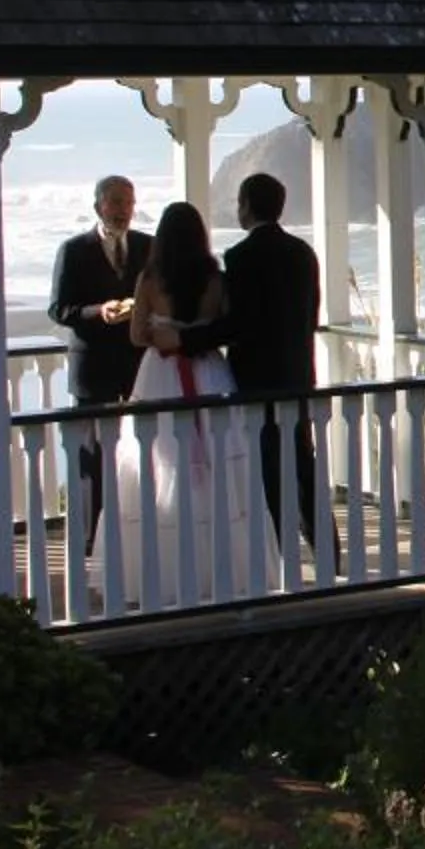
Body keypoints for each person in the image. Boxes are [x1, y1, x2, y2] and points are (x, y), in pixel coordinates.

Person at [173, 171, 325, 565]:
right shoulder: (303, 252)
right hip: (297, 374)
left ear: (245, 206)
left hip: (257, 378)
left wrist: (186, 340)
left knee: (266, 468)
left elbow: (238, 324)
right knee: (303, 465)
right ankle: (327, 552)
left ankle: (278, 556)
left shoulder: (241, 257)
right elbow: (311, 314)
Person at [115, 201, 256, 597]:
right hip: (208, 371)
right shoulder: (215, 278)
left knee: (162, 462)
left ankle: (167, 571)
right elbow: (225, 327)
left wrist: (164, 334)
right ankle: (223, 567)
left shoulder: (150, 278)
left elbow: (136, 335)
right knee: (215, 459)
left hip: (161, 374)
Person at [47, 176, 152, 550]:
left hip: (137, 365)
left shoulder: (147, 246)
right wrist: (99, 311)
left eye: (129, 202)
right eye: (116, 202)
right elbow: (59, 309)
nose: (124, 210)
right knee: (92, 458)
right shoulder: (74, 250)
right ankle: (91, 538)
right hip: (93, 368)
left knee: (143, 449)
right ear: (98, 206)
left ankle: (136, 527)